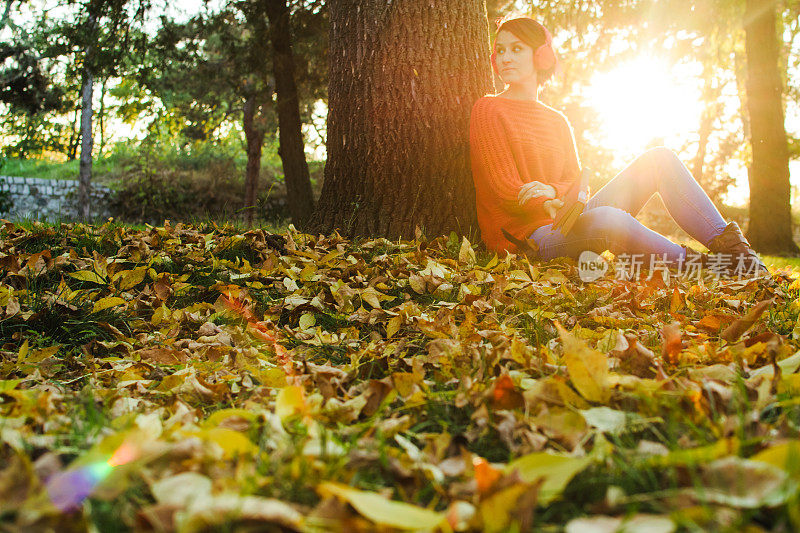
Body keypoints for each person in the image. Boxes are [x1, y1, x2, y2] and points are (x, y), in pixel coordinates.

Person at [469, 14, 769, 278]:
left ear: (540, 57)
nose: (505, 57)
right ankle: (700, 267)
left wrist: (556, 194)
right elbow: (503, 187)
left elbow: (575, 184)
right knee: (609, 218)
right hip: (528, 240)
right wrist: (545, 199)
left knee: (659, 158)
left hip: (568, 220)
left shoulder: (558, 121)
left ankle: (738, 256)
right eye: (500, 50)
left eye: (516, 49)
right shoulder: (488, 109)